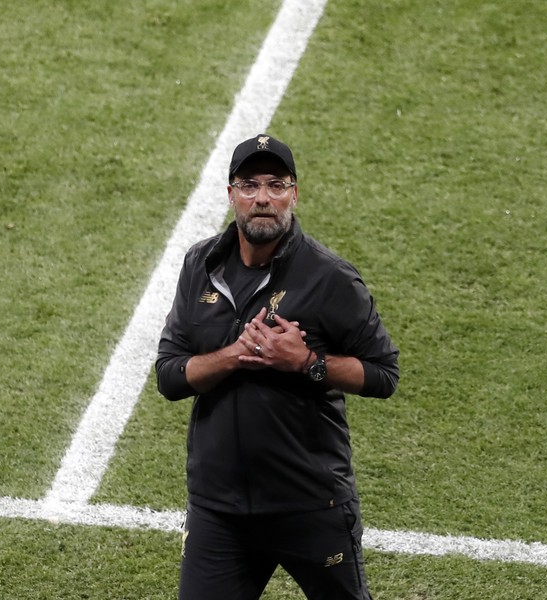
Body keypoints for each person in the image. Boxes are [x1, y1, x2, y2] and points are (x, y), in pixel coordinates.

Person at [155, 133, 399, 600]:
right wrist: (236, 354)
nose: (262, 198)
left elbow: (383, 374)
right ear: (231, 196)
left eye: (276, 184)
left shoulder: (329, 277)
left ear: (294, 193)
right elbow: (169, 375)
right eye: (248, 185)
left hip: (310, 504)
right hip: (218, 510)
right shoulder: (199, 265)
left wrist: (304, 361)